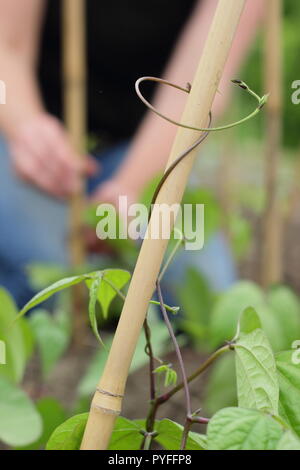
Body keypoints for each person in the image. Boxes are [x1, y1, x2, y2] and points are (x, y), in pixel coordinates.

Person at [0, 0, 264, 307]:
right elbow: (7, 46)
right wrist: (27, 127)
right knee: (49, 282)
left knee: (205, 290)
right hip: (25, 137)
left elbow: (198, 88)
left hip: (141, 147)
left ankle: (107, 303)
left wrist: (132, 187)